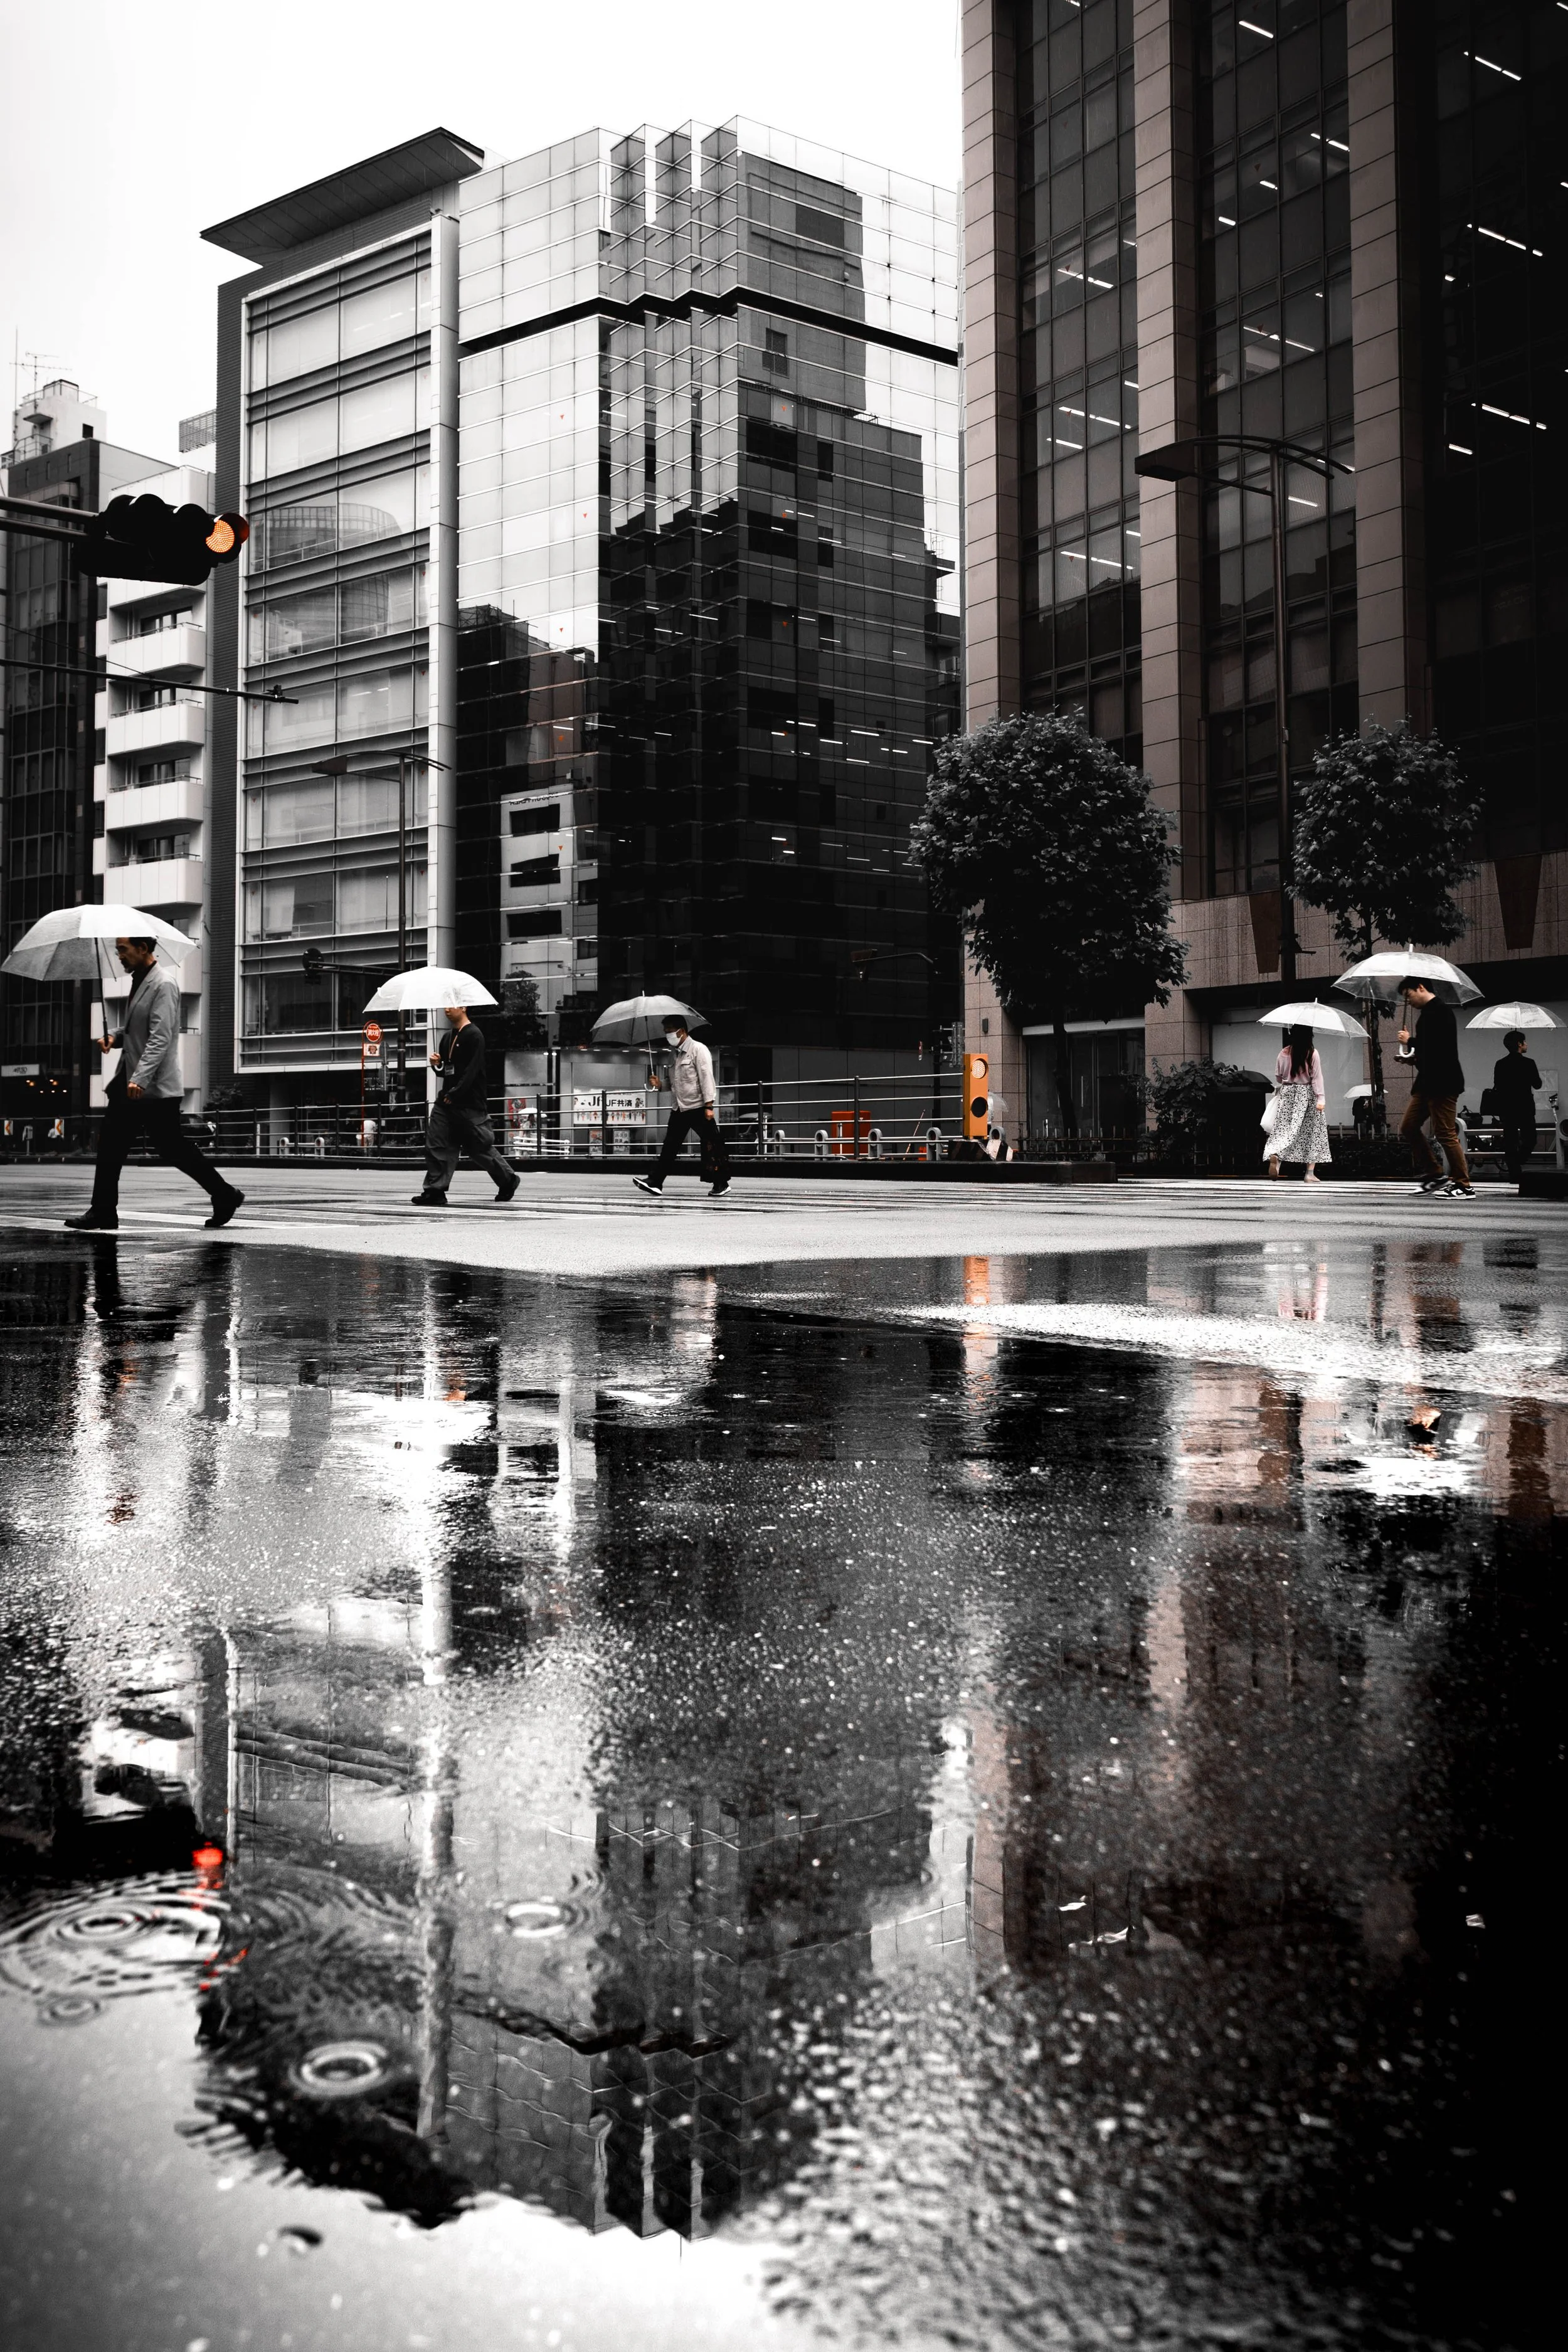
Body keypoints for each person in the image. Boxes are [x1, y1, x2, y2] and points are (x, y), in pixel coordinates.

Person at [65, 938, 243, 1232]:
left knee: (173, 1149)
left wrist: (140, 1078)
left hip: (152, 1088)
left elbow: (161, 1037)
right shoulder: (141, 981)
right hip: (131, 1084)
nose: (119, 955)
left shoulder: (164, 984)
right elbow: (139, 1030)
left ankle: (225, 1194)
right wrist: (115, 1037)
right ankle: (104, 1212)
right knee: (111, 1146)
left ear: (143, 949)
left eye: (123, 949)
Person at [411, 1002, 520, 1207]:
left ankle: (508, 1180)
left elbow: (472, 1071)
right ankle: (435, 1190)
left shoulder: (474, 1035)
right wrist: (438, 1065)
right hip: (446, 1102)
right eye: (444, 1006)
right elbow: (448, 1070)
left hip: (469, 1103)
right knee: (437, 1143)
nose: (446, 1009)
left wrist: (456, 1093)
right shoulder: (447, 1037)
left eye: (451, 1005)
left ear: (463, 1008)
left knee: (478, 1148)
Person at [633, 1014, 730, 1197]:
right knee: (670, 1146)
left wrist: (709, 1106)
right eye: (666, 1032)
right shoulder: (675, 1054)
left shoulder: (698, 1050)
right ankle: (656, 1181)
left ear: (682, 1031)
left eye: (669, 1031)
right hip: (679, 1108)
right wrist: (660, 1084)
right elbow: (673, 1082)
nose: (667, 1035)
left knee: (712, 1144)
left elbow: (707, 1079)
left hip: (698, 1107)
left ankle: (721, 1183)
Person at [1397, 977, 1473, 1197]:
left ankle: (1464, 1184)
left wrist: (1410, 1041)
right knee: (1409, 1127)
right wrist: (1412, 1058)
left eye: (1408, 995)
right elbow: (1429, 1054)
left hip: (1444, 1082)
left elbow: (1439, 1048)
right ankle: (1435, 1174)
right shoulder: (1428, 1014)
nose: (1408, 1001)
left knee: (1445, 1133)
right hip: (1428, 1083)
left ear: (1421, 988)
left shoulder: (1440, 1012)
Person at [1265, 1023, 1330, 1183]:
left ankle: (1277, 1159)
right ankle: (1309, 1174)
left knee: (1284, 1130)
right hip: (1307, 1095)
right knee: (1313, 1132)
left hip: (1287, 1094)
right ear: (1310, 1036)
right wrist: (1321, 1099)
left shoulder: (1284, 1052)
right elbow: (1316, 1078)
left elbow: (1278, 1077)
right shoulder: (1312, 1053)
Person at [1491, 1027, 1542, 1187]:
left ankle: (1515, 1171)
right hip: (1525, 1108)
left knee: (1510, 1141)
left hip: (1507, 1109)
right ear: (1519, 1044)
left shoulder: (1500, 1064)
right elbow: (1538, 1084)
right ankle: (1519, 1161)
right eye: (1525, 1042)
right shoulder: (1529, 1063)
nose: (1526, 1044)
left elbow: (1497, 1085)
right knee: (1531, 1139)